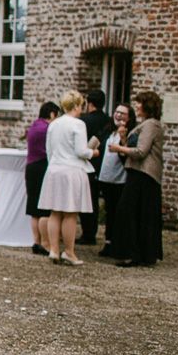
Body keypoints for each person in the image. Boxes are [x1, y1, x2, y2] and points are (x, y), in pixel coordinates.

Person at [38, 91, 100, 265]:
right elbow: (81, 151)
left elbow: (49, 151)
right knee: (70, 213)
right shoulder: (78, 124)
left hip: (54, 169)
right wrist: (93, 152)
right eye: (81, 105)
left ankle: (54, 250)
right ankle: (69, 252)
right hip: (71, 170)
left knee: (55, 212)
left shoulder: (54, 124)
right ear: (77, 105)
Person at [109, 90, 165, 267]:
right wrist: (124, 138)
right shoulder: (144, 125)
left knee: (133, 212)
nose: (137, 107)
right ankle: (134, 252)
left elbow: (141, 152)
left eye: (140, 103)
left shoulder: (151, 125)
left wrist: (118, 148)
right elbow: (133, 148)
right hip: (136, 172)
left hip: (144, 175)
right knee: (133, 213)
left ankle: (135, 253)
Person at [96, 103, 136, 258]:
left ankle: (119, 244)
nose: (118, 115)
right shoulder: (109, 131)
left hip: (120, 179)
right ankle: (108, 242)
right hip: (106, 177)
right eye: (117, 112)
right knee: (109, 211)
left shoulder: (130, 134)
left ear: (129, 117)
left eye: (123, 114)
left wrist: (124, 138)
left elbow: (126, 156)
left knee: (119, 213)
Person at [25, 102, 61, 256]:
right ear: (52, 114)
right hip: (41, 167)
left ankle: (36, 241)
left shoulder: (34, 126)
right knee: (44, 208)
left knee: (34, 208)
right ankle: (46, 244)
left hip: (31, 167)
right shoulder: (47, 129)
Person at [78, 89, 111, 245]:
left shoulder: (84, 121)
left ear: (89, 103)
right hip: (105, 164)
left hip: (88, 163)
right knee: (102, 201)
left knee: (88, 199)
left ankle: (88, 233)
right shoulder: (109, 121)